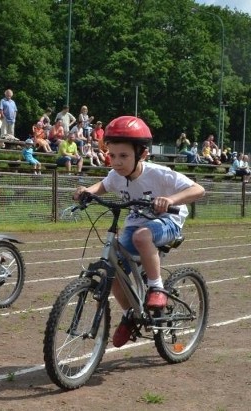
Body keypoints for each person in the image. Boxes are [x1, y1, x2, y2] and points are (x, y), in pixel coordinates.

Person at [73, 115, 205, 348]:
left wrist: (170, 199)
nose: (116, 162)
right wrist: (88, 192)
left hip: (168, 219)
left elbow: (198, 189)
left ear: (141, 154)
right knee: (112, 273)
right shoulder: (116, 175)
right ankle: (131, 316)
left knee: (141, 236)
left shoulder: (158, 173)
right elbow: (103, 186)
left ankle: (156, 287)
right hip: (137, 221)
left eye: (123, 156)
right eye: (112, 156)